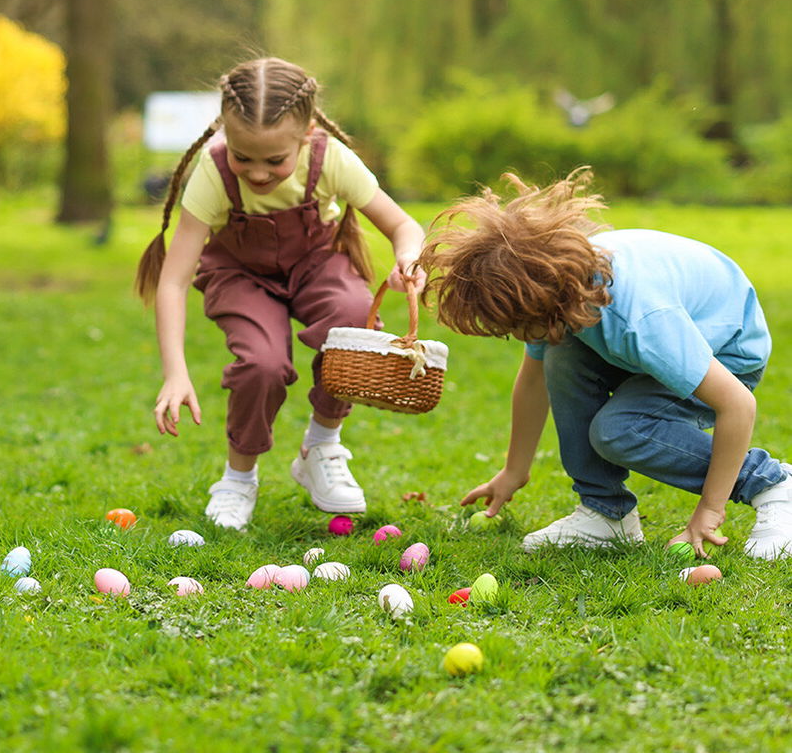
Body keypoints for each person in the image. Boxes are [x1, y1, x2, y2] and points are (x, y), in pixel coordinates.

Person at [417, 169, 792, 559]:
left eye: (518, 326)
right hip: (664, 336)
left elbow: (736, 404)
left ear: (546, 304)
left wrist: (709, 510)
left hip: (726, 350)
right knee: (560, 357)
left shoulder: (641, 321)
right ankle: (605, 514)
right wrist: (514, 470)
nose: (517, 336)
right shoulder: (562, 291)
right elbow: (532, 384)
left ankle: (774, 484)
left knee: (619, 430)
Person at [135, 57, 425, 530]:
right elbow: (172, 278)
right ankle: (237, 479)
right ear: (225, 131)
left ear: (307, 132)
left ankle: (321, 447)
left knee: (353, 315)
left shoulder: (328, 157)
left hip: (316, 263)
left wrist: (407, 259)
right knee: (262, 363)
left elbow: (402, 225)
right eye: (242, 157)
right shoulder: (212, 174)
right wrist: (175, 373)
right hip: (240, 274)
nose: (258, 173)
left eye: (274, 161)